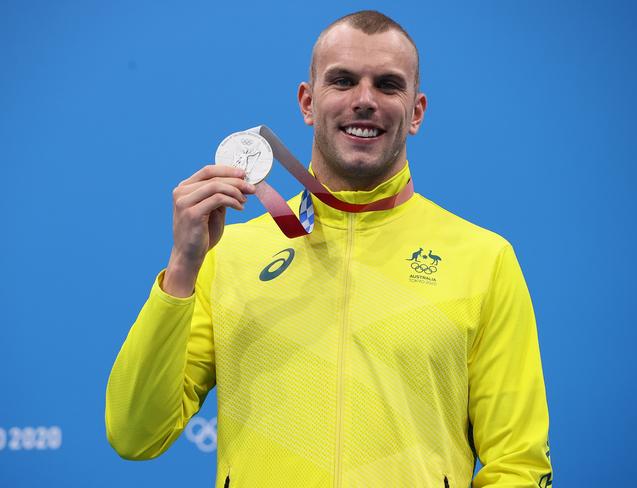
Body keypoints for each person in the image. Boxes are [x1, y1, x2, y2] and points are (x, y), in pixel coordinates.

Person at [106, 10, 553, 488]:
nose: (365, 100)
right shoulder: (227, 256)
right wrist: (182, 268)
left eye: (387, 84)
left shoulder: (484, 260)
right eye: (342, 81)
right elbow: (135, 434)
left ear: (417, 111)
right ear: (308, 102)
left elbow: (518, 464)